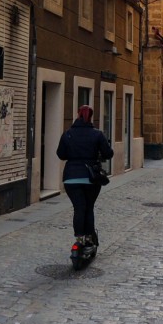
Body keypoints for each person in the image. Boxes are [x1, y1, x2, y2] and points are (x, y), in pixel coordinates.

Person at [57, 104, 113, 249]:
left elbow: (61, 154)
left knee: (78, 208)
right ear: (91, 117)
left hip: (71, 177)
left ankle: (79, 237)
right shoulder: (97, 134)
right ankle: (89, 236)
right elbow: (108, 153)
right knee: (88, 207)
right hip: (91, 178)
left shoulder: (68, 134)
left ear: (78, 115)